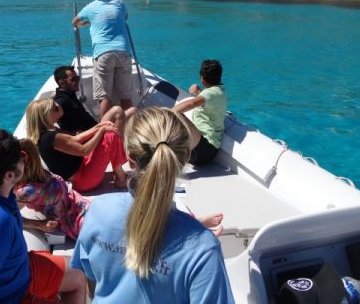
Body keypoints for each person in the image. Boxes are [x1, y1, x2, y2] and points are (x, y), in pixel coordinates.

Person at [71, 107, 235, 303]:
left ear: (130, 159)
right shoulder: (203, 249)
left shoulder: (98, 211)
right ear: (185, 157)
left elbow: (90, 280)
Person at [0, 129, 86, 304]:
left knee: (79, 275)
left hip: (15, 270)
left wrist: (39, 225)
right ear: (9, 175)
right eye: (22, 156)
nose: (24, 159)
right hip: (7, 296)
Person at [16, 138, 223, 241]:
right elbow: (10, 215)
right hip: (81, 213)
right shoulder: (36, 179)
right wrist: (40, 225)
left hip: (80, 213)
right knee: (135, 228)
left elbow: (9, 213)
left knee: (139, 220)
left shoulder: (28, 187)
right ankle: (192, 227)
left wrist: (39, 224)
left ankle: (193, 225)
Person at [26, 98, 127, 192]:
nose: (59, 109)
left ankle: (118, 172)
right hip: (82, 180)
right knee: (110, 136)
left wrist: (98, 127)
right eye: (55, 109)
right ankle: (120, 179)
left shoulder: (44, 134)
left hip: (81, 170)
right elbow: (84, 150)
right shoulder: (50, 137)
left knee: (107, 131)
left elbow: (75, 139)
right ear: (46, 115)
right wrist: (100, 131)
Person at [72, 0, 136, 119]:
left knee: (104, 96)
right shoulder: (119, 3)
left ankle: (105, 132)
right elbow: (125, 17)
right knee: (125, 97)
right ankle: (132, 129)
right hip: (124, 52)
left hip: (103, 53)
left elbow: (75, 22)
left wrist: (87, 22)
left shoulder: (91, 7)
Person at [15, 138, 91, 240]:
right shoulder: (42, 173)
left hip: (75, 221)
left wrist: (39, 224)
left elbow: (11, 216)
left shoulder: (26, 191)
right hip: (82, 205)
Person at [173, 59, 227, 165]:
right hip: (209, 152)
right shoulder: (220, 92)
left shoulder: (210, 94)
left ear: (202, 78)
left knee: (176, 115)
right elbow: (209, 99)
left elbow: (192, 104)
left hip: (202, 148)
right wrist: (198, 92)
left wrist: (166, 112)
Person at [53, 65, 134, 135]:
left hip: (95, 129)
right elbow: (44, 124)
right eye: (73, 79)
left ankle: (118, 141)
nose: (77, 81)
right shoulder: (62, 101)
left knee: (132, 111)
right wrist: (71, 134)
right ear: (61, 82)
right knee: (118, 110)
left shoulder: (69, 93)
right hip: (91, 136)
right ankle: (115, 145)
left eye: (78, 78)